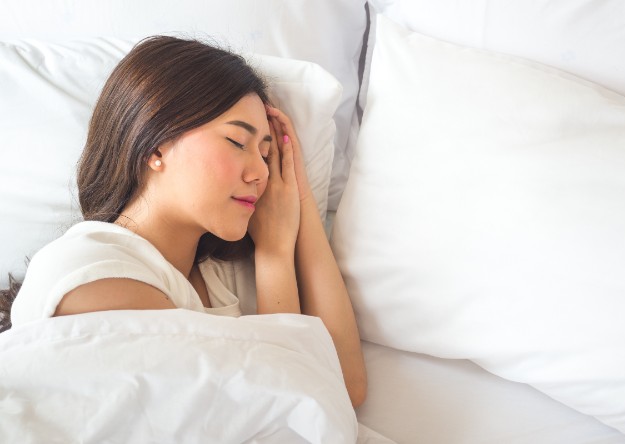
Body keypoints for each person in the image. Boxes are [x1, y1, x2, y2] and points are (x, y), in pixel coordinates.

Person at [3, 36, 367, 407]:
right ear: (155, 146)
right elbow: (285, 408)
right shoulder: (90, 271)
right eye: (238, 142)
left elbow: (346, 389)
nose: (260, 171)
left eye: (267, 154)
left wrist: (295, 205)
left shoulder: (220, 277)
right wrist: (274, 257)